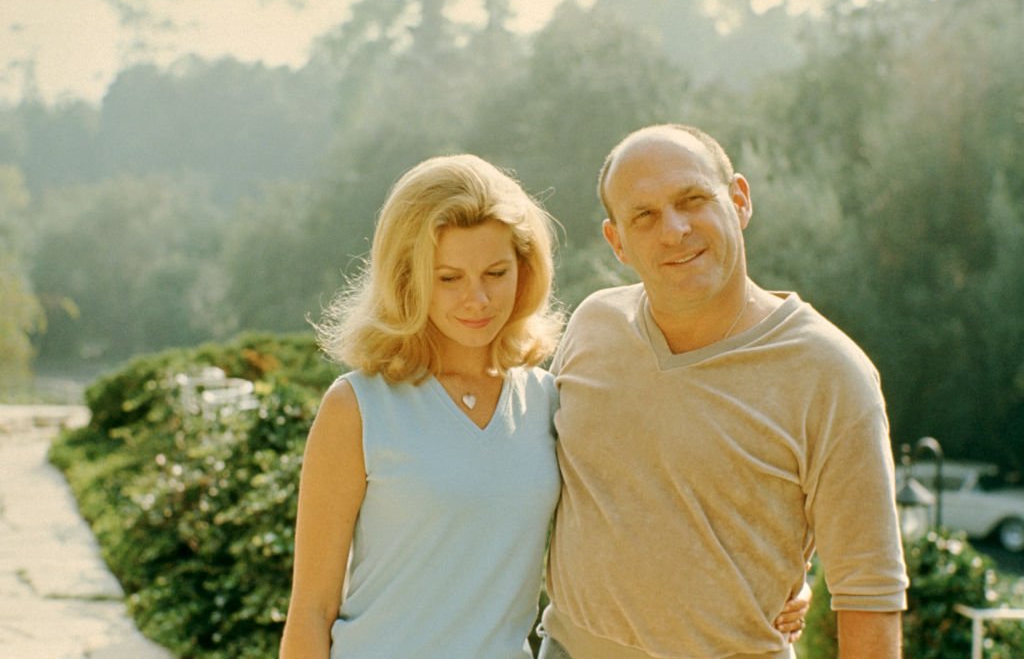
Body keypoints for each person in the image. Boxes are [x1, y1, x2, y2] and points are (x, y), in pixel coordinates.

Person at [279, 153, 809, 658]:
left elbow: (653, 509)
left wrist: (777, 585)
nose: (477, 299)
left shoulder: (549, 400)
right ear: (407, 278)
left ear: (524, 270)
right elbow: (311, 610)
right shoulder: (358, 407)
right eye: (448, 278)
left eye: (495, 273)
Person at [537, 124, 909, 659]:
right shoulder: (594, 325)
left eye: (693, 200)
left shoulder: (831, 372)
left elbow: (870, 593)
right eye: (644, 216)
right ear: (616, 241)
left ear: (739, 200)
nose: (674, 230)